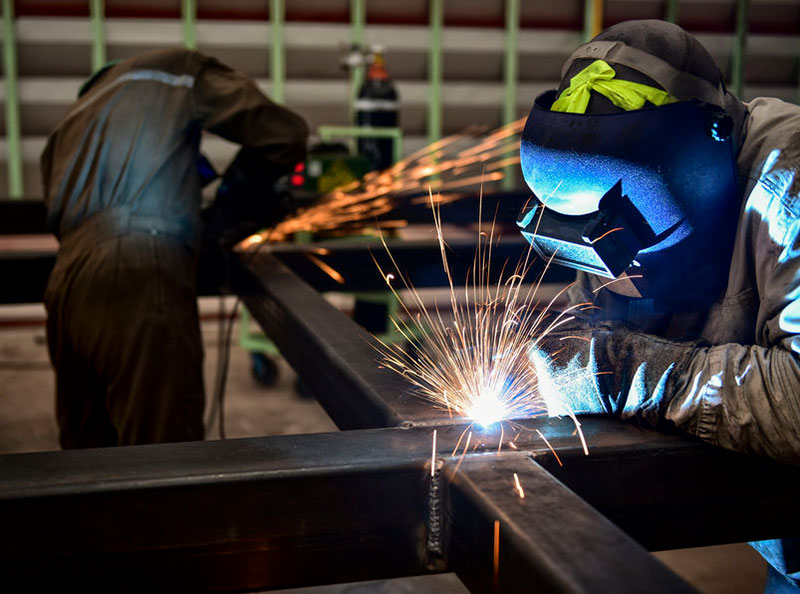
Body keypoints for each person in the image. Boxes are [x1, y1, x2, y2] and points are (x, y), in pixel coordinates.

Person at [519, 20, 800, 593]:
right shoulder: (613, 200)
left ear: (694, 164)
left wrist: (626, 372)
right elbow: (588, 329)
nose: (616, 270)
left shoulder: (788, 188)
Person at [40, 48, 308, 449]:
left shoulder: (70, 122)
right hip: (139, 272)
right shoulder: (171, 70)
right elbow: (284, 134)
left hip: (64, 286)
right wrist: (234, 205)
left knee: (85, 467)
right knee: (165, 460)